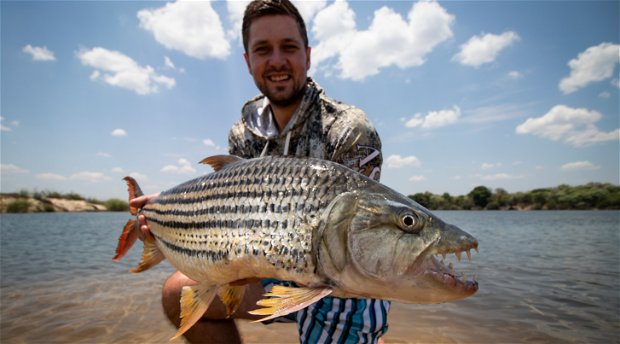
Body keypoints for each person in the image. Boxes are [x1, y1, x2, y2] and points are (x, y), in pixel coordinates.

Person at [131, 1, 390, 343]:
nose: (277, 61)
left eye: (289, 47)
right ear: (248, 61)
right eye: (263, 50)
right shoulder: (242, 133)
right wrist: (166, 218)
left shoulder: (348, 128)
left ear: (307, 56)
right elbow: (228, 226)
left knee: (349, 297)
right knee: (177, 293)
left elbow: (360, 243)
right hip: (270, 271)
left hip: (340, 280)